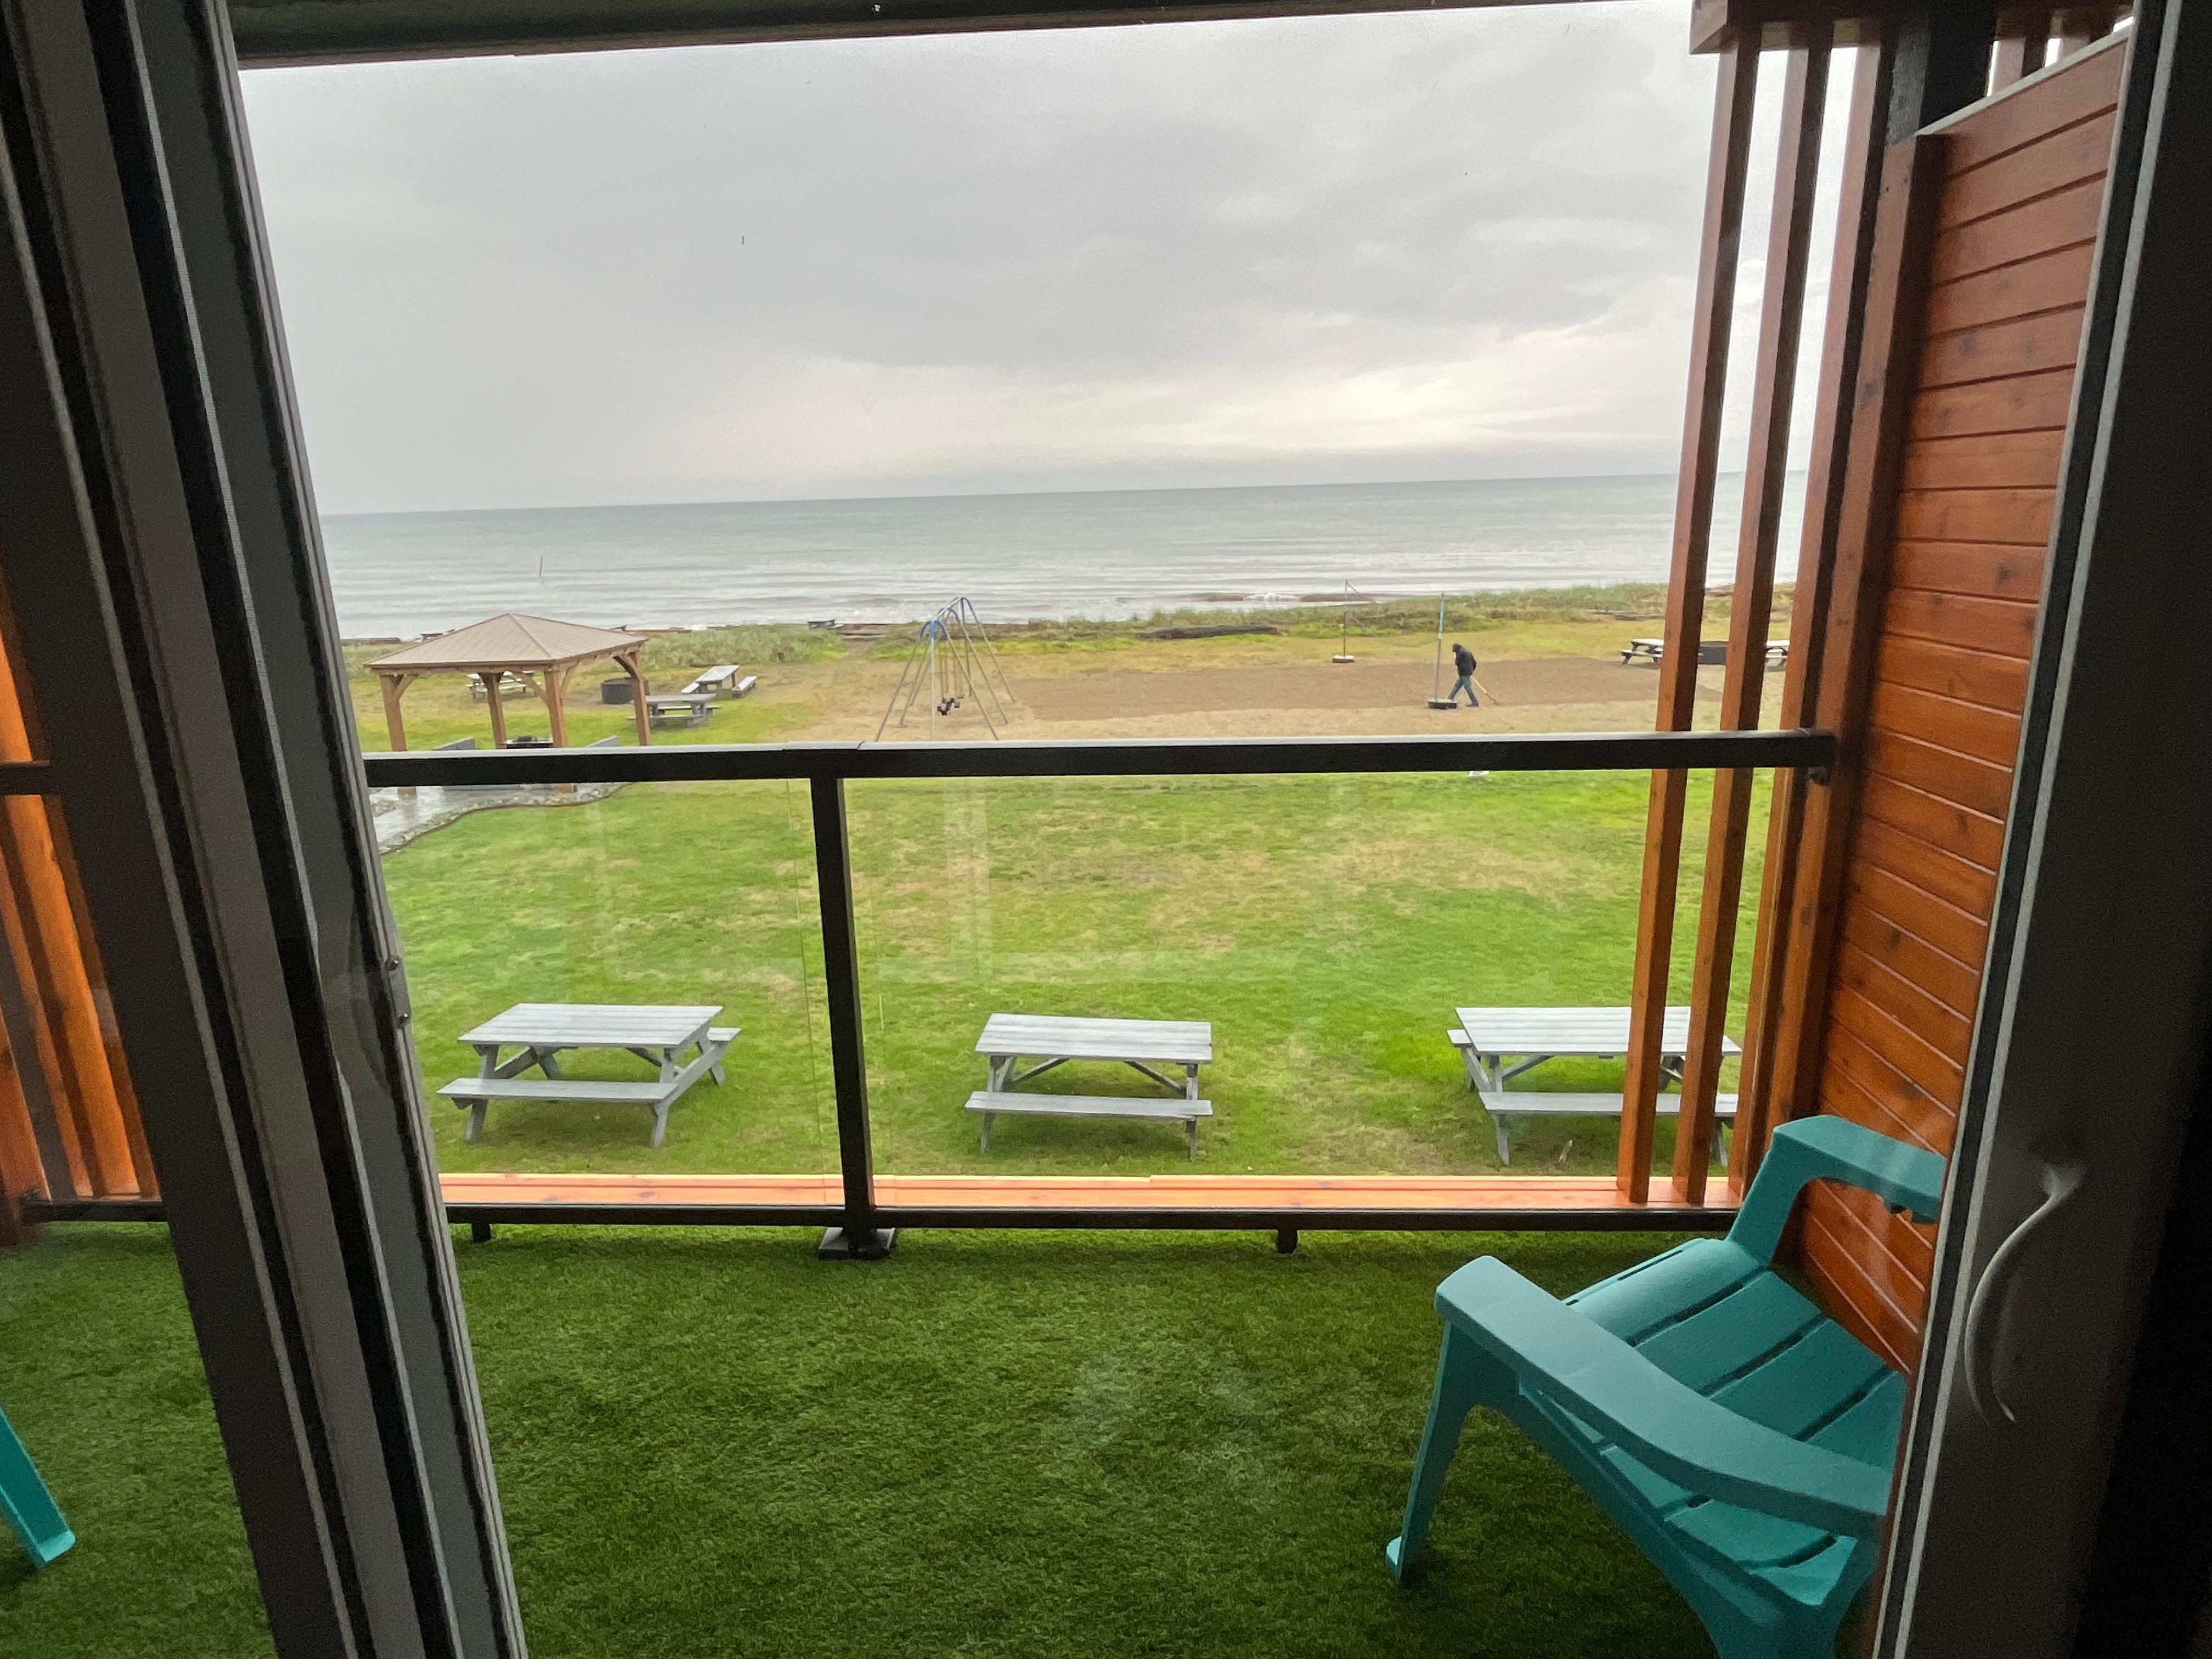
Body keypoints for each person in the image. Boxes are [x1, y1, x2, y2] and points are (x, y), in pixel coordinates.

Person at [1447, 642, 1480, 707]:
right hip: (1467, 672)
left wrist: (1455, 659)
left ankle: (1475, 702)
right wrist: (1471, 671)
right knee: (1457, 686)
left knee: (1468, 688)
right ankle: (1450, 699)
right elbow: (1474, 662)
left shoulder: (1460, 653)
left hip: (1464, 673)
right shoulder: (1468, 652)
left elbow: (1457, 663)